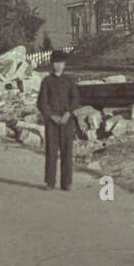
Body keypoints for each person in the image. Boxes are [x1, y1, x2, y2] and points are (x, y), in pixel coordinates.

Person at [36, 50, 79, 191]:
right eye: (56, 63)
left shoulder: (70, 81)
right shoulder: (47, 81)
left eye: (61, 63)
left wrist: (68, 113)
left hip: (67, 121)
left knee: (67, 151)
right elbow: (42, 102)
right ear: (52, 64)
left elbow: (75, 99)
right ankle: (50, 182)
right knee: (51, 151)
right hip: (52, 122)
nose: (58, 66)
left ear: (65, 64)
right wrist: (51, 116)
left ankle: (67, 182)